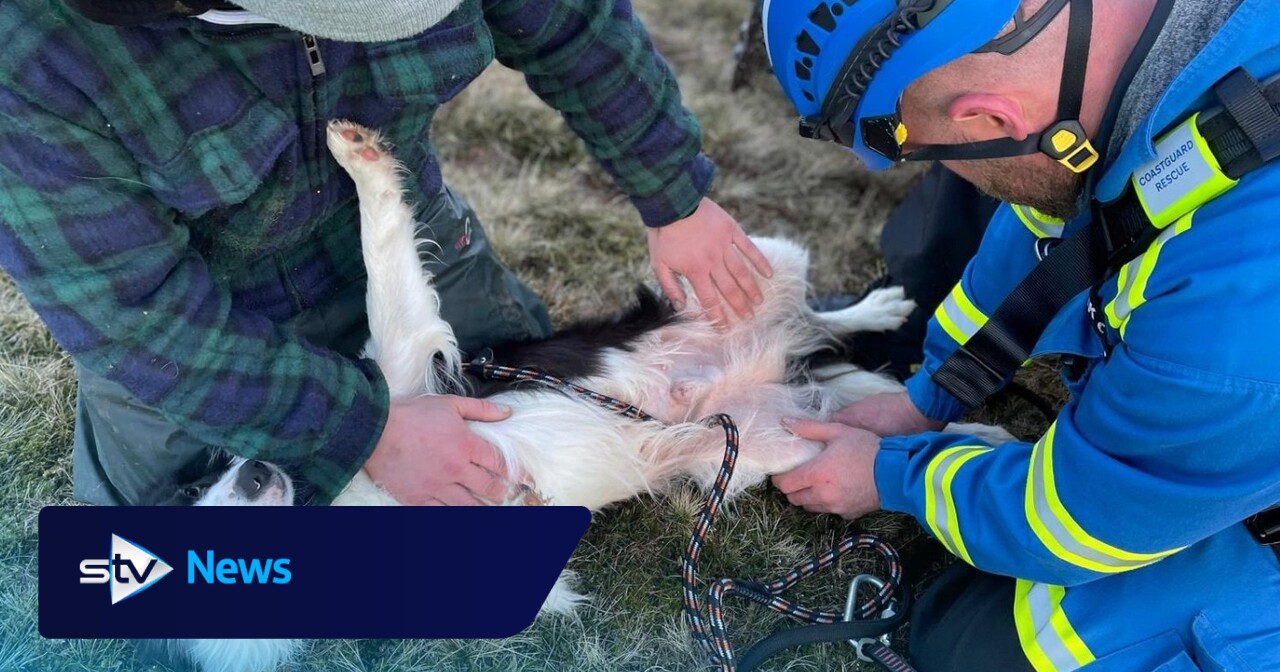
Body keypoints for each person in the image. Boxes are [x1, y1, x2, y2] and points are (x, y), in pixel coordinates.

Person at [0, 0, 774, 508]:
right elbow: (131, 315)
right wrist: (365, 430)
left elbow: (571, 21)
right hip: (200, 325)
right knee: (171, 580)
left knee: (550, 415)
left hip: (401, 236)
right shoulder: (34, 56)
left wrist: (675, 196)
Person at [764, 0, 1280, 670]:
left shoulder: (1232, 313)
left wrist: (891, 477)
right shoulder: (1134, 67)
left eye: (934, 156)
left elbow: (1077, 520)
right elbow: (1051, 236)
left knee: (975, 643)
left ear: (990, 117)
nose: (950, 175)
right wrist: (930, 398)